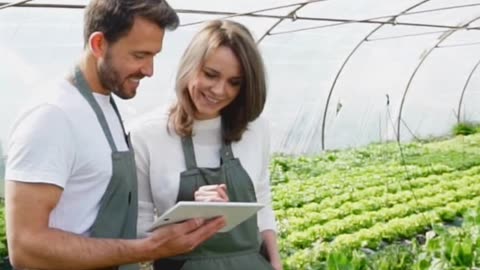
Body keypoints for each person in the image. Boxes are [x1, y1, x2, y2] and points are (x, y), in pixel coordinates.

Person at [4, 1, 225, 269]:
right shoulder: (52, 116)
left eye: (154, 55)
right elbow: (26, 247)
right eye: (139, 55)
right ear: (99, 45)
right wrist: (148, 248)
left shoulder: (105, 104)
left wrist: (184, 219)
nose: (149, 70)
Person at [130, 19, 283, 270]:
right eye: (211, 75)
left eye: (235, 82)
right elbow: (140, 232)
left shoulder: (256, 129)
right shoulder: (147, 135)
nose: (220, 90)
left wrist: (275, 264)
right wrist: (188, 215)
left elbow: (263, 201)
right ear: (190, 66)